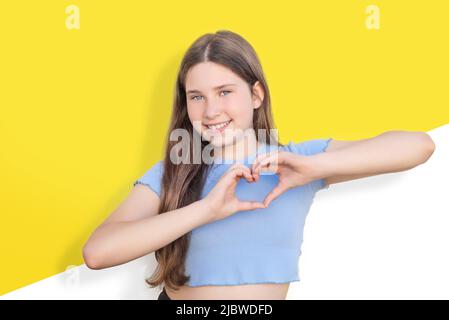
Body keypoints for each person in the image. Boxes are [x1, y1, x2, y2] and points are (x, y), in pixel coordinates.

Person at [82, 30, 436, 300]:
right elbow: (97, 253)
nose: (211, 111)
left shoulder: (297, 161)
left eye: (224, 92)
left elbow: (418, 145)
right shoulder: (176, 169)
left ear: (255, 94)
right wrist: (207, 209)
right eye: (197, 97)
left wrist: (314, 167)